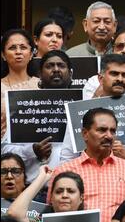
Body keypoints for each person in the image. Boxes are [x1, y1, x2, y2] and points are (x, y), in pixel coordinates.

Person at [48, 107, 125, 222]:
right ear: (85, 134)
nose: (109, 136)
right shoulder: (64, 171)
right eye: (102, 130)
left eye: (112, 131)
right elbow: (52, 211)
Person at [2, 50, 74, 183]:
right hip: (32, 188)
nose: (56, 69)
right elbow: (5, 151)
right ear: (40, 74)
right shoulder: (24, 105)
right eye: (49, 66)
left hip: (71, 189)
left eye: (61, 65)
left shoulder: (80, 106)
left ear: (70, 73)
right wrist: (32, 151)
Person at [8, 166, 84, 222]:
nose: (64, 195)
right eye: (58, 192)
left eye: (71, 191)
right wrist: (41, 178)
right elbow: (14, 214)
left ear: (81, 198)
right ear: (51, 198)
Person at [1, 29, 40, 139]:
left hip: (38, 149)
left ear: (31, 53)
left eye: (23, 47)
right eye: (12, 48)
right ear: (3, 55)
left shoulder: (41, 85)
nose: (18, 52)